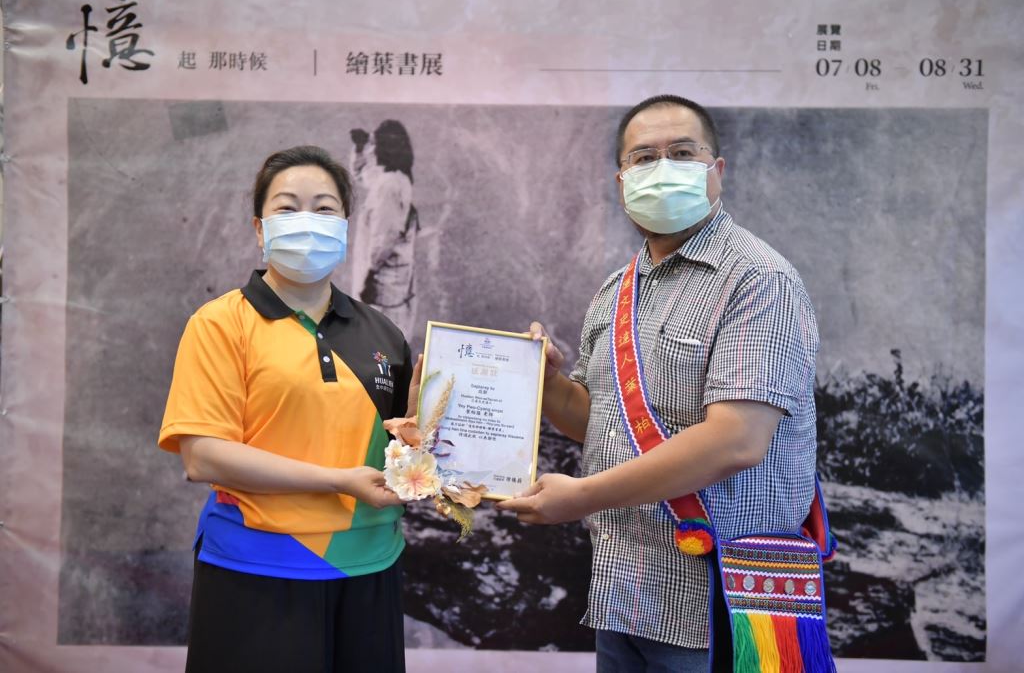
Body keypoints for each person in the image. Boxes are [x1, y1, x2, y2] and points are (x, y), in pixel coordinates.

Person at [499, 95, 835, 672]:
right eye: (643, 158)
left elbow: (737, 441)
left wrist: (581, 497)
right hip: (626, 590)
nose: (661, 169)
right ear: (622, 180)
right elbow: (599, 423)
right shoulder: (617, 289)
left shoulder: (758, 279)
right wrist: (548, 383)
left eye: (681, 153)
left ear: (716, 170)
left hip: (724, 597)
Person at [158, 145, 419, 673]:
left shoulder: (384, 333)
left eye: (324, 208)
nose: (307, 221)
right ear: (260, 229)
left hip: (370, 567)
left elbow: (404, 448)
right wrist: (337, 481)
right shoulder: (220, 323)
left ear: (345, 226)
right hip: (256, 567)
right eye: (287, 207)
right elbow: (203, 457)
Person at [348, 120, 419, 335]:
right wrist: (360, 148)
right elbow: (364, 174)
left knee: (381, 339)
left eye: (374, 143)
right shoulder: (394, 178)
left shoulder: (389, 186)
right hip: (388, 276)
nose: (371, 149)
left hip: (382, 281)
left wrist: (369, 277)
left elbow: (384, 238)